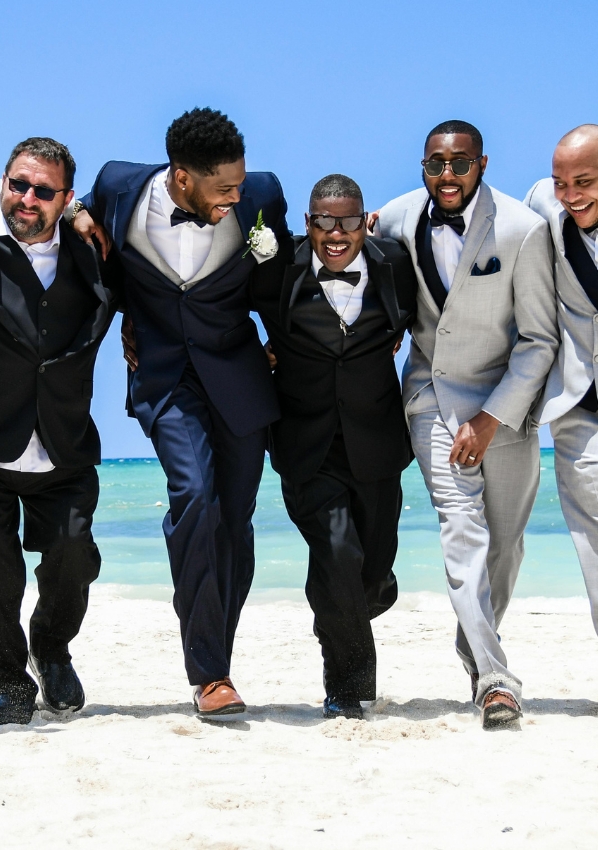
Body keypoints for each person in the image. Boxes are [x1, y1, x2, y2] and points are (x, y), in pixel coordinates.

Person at [72, 108, 291, 717]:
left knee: (236, 521)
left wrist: (285, 345)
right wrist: (75, 213)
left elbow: (281, 276)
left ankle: (217, 653)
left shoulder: (262, 197)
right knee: (194, 495)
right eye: (223, 188)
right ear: (182, 177)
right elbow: (76, 205)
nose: (236, 196)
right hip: (165, 378)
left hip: (241, 377)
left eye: (239, 185)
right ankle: (210, 673)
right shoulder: (119, 185)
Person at [0, 137, 120, 725]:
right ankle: (11, 677)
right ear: (2, 182)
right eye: (18, 184)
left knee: (72, 555)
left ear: (66, 198)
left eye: (44, 190)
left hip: (62, 442)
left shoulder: (95, 253)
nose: (27, 199)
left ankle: (52, 646)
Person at [376, 120, 558, 729]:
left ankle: (475, 645)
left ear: (482, 163)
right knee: (462, 532)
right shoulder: (400, 216)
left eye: (458, 164)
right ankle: (495, 677)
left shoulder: (522, 229)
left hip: (505, 403)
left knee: (505, 548)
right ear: (422, 166)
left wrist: (490, 418)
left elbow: (538, 342)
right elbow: (346, 236)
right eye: (435, 165)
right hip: (432, 395)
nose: (446, 176)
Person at [252, 174, 415, 719]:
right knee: (337, 554)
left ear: (365, 222)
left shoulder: (395, 265)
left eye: (347, 221)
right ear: (308, 223)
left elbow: (425, 316)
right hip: (306, 447)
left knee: (368, 572)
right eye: (324, 221)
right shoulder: (279, 271)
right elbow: (218, 309)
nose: (336, 234)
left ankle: (368, 592)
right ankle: (347, 688)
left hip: (377, 445)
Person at [525, 124, 598, 639]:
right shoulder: (541, 205)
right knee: (593, 542)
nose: (570, 195)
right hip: (579, 405)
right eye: (560, 182)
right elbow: (483, 218)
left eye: (585, 181)